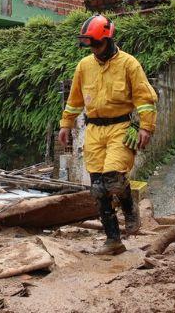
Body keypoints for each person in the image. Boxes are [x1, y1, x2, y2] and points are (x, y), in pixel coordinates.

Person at [58, 14, 158, 255]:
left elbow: (145, 99)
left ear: (109, 39)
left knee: (113, 179)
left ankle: (129, 207)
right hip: (94, 130)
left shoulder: (129, 64)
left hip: (121, 128)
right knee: (98, 188)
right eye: (89, 45)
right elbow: (74, 101)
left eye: (97, 44)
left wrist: (146, 127)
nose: (93, 49)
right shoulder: (84, 66)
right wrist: (66, 124)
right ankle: (113, 240)